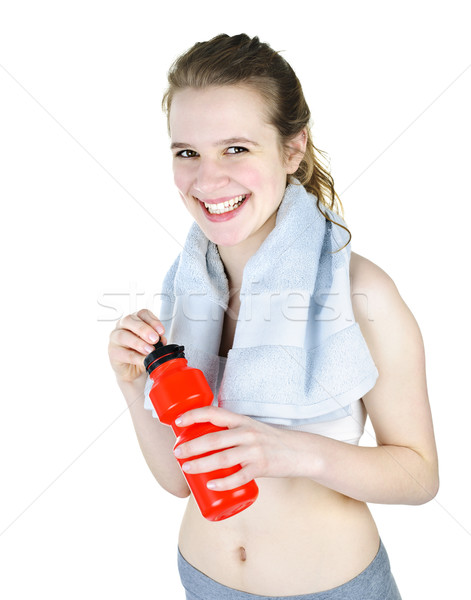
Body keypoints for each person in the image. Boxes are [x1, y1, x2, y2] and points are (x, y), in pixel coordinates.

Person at [108, 33, 439, 599]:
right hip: (204, 579)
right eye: (187, 152)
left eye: (236, 149)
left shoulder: (361, 291)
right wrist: (130, 381)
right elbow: (178, 482)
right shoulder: (189, 290)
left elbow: (420, 477)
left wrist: (293, 451)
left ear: (292, 150)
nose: (207, 180)